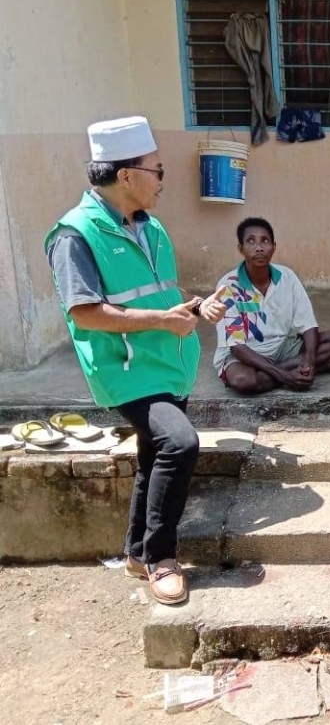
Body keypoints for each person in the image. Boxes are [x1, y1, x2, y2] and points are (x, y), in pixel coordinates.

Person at [43, 116, 226, 605]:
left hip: (167, 363)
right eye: (157, 169)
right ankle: (162, 558)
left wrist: (194, 307)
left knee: (154, 454)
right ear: (126, 175)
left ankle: (135, 553)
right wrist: (164, 322)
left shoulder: (150, 225)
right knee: (180, 443)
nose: (163, 179)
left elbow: (159, 294)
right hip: (125, 370)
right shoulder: (74, 235)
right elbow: (86, 313)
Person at [213, 217, 330, 394]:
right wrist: (284, 376)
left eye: (265, 241)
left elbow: (308, 325)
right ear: (240, 249)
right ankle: (297, 370)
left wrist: (308, 361)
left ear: (274, 247)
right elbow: (236, 346)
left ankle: (294, 369)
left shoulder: (287, 277)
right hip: (244, 355)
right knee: (244, 381)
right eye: (250, 241)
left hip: (281, 348)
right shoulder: (229, 285)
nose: (259, 247)